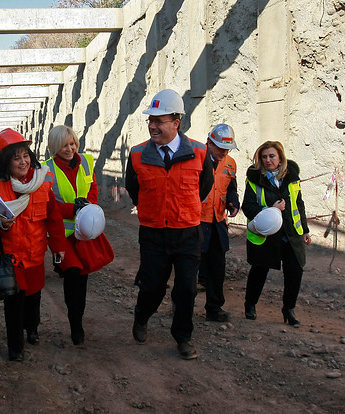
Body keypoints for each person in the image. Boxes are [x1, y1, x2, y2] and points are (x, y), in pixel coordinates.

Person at [125, 89, 214, 360]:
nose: (152, 126)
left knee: (186, 289)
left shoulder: (199, 152)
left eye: (159, 121)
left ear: (176, 122)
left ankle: (183, 338)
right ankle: (141, 317)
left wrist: (182, 209)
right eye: (150, 121)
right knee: (152, 287)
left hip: (187, 232)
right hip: (153, 233)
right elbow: (133, 188)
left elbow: (205, 186)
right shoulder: (138, 154)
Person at [0, 128, 67, 361]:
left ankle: (32, 329)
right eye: (16, 157)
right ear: (6, 161)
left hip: (36, 254)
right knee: (14, 302)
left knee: (33, 297)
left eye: (25, 155)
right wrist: (1, 224)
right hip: (11, 257)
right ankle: (15, 347)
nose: (23, 161)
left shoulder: (43, 180)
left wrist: (58, 247)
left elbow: (53, 217)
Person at [42, 125, 107, 346]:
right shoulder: (46, 170)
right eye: (64, 145)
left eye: (72, 144)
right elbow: (48, 206)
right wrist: (74, 209)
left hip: (85, 232)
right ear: (55, 147)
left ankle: (77, 316)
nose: (69, 149)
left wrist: (89, 207)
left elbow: (93, 189)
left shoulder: (87, 162)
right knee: (72, 274)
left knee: (83, 278)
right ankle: (75, 324)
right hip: (61, 233)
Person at [242, 141, 311, 326]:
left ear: (280, 157)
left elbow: (299, 204)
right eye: (264, 157)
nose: (268, 160)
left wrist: (304, 229)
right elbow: (247, 206)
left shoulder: (292, 177)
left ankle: (289, 309)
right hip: (266, 234)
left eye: (271, 156)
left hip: (291, 233)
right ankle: (250, 305)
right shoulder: (254, 179)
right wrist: (269, 209)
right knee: (259, 270)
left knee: (294, 272)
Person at [199, 124, 240, 322]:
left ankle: (214, 308)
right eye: (220, 148)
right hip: (197, 222)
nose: (224, 152)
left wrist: (233, 202)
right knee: (191, 268)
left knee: (217, 268)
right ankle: (182, 306)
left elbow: (231, 188)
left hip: (217, 223)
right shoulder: (196, 160)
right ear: (209, 143)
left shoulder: (230, 163)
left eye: (227, 149)